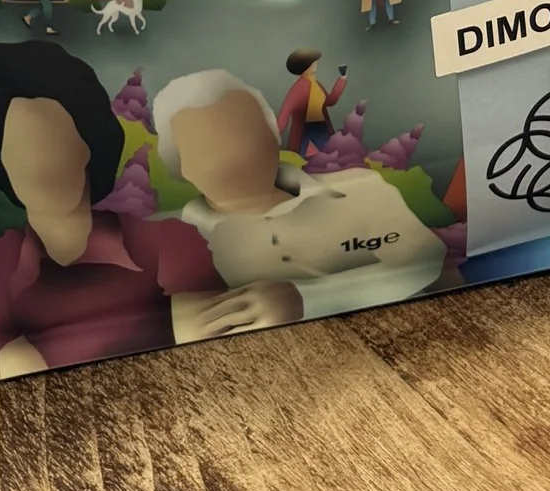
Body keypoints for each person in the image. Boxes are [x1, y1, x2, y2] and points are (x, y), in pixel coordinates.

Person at [0, 40, 219, 383]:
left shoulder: (168, 244)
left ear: (89, 145)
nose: (40, 167)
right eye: (19, 150)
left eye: (53, 143)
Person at [151, 69, 448, 335]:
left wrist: (305, 299)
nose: (235, 155)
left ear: (273, 138)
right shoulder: (165, 242)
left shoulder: (360, 188)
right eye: (206, 148)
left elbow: (425, 259)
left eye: (246, 133)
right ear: (179, 165)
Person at [276, 46, 347, 154]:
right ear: (305, 66)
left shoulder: (316, 85)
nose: (316, 64)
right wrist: (274, 136)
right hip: (306, 131)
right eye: (313, 62)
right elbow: (285, 113)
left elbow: (330, 101)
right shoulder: (299, 87)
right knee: (306, 161)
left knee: (329, 159)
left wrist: (342, 80)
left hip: (322, 128)